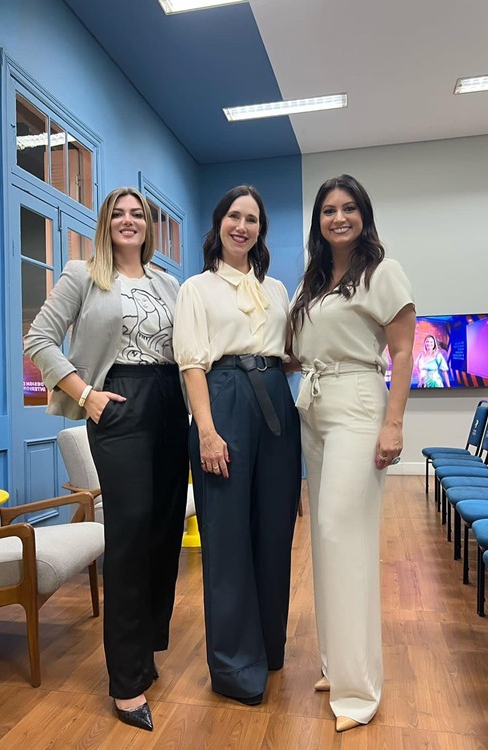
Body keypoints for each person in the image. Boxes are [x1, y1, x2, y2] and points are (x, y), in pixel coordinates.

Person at [24, 186, 189, 732]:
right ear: (104, 224)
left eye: (136, 213)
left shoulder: (169, 282)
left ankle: (143, 651)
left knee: (164, 532)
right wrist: (86, 395)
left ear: (148, 226)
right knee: (129, 533)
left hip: (171, 405)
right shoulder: (82, 274)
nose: (127, 220)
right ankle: (124, 682)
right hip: (118, 404)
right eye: (117, 213)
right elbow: (39, 338)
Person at [289, 175, 415, 733]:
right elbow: (297, 350)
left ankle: (359, 691)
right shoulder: (313, 281)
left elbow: (404, 348)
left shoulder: (382, 271)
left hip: (360, 405)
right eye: (328, 211)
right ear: (318, 221)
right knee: (324, 537)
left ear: (363, 214)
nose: (338, 218)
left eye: (348, 208)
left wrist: (394, 423)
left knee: (346, 535)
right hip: (313, 408)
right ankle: (335, 664)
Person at [173, 185, 301, 706]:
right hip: (221, 401)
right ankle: (232, 665)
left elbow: (291, 355)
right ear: (218, 224)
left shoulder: (276, 290)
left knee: (274, 532)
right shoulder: (196, 289)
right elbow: (191, 364)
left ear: (260, 229)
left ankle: (269, 648)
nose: (242, 226)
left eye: (252, 219)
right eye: (233, 216)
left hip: (275, 404)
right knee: (226, 541)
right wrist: (206, 429)